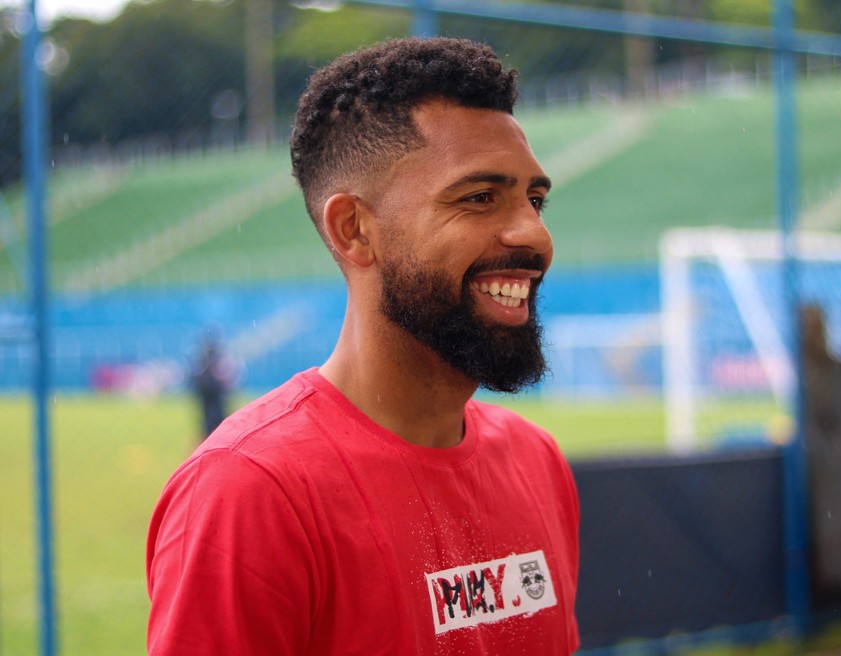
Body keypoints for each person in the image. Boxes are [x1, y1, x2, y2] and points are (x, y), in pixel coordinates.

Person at [146, 37, 580, 655]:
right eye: (479, 197)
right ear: (354, 230)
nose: (533, 234)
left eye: (534, 200)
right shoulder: (252, 492)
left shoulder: (538, 462)